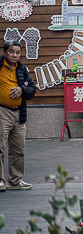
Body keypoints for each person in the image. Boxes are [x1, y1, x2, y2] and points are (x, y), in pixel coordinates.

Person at [0, 41, 35, 191]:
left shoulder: (22, 69)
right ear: (5, 52)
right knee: (0, 147)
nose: (14, 55)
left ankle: (15, 181)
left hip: (19, 113)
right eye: (11, 52)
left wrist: (22, 89)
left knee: (18, 149)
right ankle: (0, 181)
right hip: (2, 111)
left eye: (18, 52)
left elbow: (32, 90)